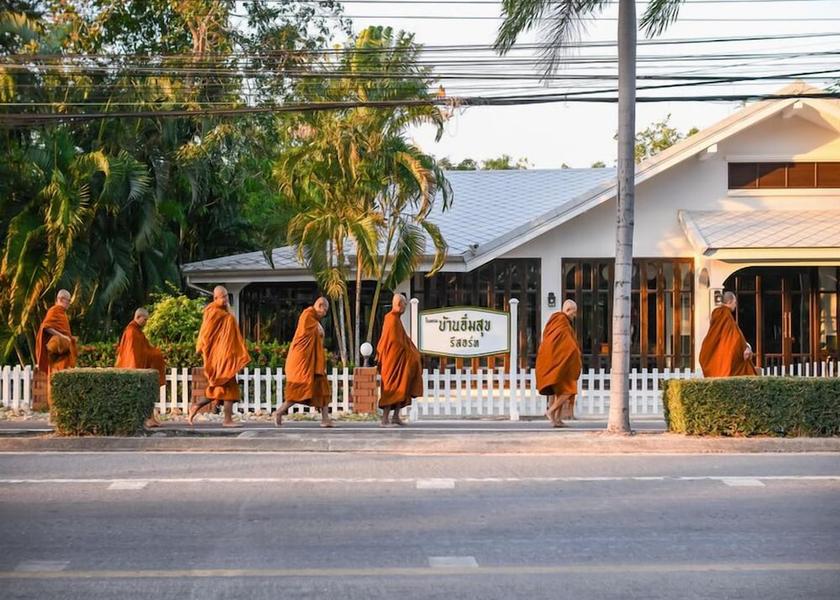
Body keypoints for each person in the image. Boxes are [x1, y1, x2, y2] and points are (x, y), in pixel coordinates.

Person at [189, 286, 250, 427]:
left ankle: (196, 406)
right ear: (215, 298)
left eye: (227, 296)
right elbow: (205, 333)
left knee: (219, 389)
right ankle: (227, 420)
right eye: (222, 297)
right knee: (228, 389)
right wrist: (201, 348)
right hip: (219, 358)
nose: (225, 299)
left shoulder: (225, 312)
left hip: (226, 356)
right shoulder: (213, 313)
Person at [276, 297, 333, 427]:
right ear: (320, 306)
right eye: (325, 310)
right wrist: (318, 330)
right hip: (302, 361)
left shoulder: (313, 319)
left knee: (322, 388)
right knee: (299, 390)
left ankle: (325, 419)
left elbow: (318, 334)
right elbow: (311, 333)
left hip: (313, 362)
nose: (325, 314)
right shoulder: (307, 316)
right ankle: (279, 412)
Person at [376, 293, 422, 427]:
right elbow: (394, 343)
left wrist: (413, 353)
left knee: (403, 387)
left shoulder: (396, 319)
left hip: (400, 362)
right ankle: (384, 420)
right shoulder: (390, 319)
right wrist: (411, 352)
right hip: (392, 363)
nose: (406, 307)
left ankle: (396, 416)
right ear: (399, 304)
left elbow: (403, 341)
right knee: (391, 389)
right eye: (405, 304)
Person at [115, 308, 166, 428]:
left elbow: (145, 349)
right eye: (145, 319)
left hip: (142, 367)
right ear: (138, 317)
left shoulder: (137, 331)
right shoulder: (131, 332)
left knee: (149, 393)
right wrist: (135, 370)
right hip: (135, 368)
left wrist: (156, 354)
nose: (146, 322)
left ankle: (150, 418)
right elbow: (132, 354)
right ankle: (146, 419)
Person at [535, 299, 582, 427]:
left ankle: (557, 420)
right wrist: (575, 353)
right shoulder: (561, 322)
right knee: (568, 391)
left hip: (558, 363)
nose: (574, 316)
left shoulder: (555, 321)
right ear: (567, 310)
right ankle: (551, 411)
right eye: (573, 313)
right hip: (560, 364)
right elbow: (568, 345)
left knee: (560, 392)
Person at [35, 289, 77, 408]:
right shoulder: (54, 311)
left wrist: (69, 338)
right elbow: (46, 327)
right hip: (57, 353)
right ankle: (55, 405)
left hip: (64, 352)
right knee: (56, 378)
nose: (69, 304)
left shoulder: (62, 313)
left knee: (64, 379)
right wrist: (62, 336)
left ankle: (61, 405)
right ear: (60, 299)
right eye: (68, 301)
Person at [699, 291, 757, 377]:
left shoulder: (717, 313)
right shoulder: (725, 315)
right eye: (735, 302)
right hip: (727, 359)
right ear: (729, 302)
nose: (735, 305)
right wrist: (745, 348)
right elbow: (735, 338)